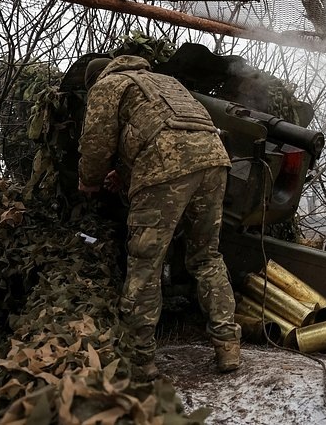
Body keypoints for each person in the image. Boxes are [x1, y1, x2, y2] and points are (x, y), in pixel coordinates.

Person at [78, 55, 241, 378]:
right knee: (206, 257)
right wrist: (127, 173)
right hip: (214, 161)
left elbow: (96, 142)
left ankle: (140, 358)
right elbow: (164, 130)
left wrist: (89, 180)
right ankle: (227, 346)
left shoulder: (108, 84)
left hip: (166, 166)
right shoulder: (166, 82)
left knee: (145, 262)